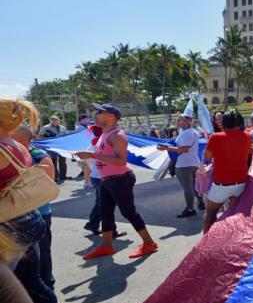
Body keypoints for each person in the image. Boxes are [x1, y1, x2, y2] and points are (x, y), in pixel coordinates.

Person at [0, 98, 63, 303]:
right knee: (31, 281)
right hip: (28, 218)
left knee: (10, 287)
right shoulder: (16, 145)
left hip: (10, 226)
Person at [74, 103, 158, 260]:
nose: (95, 114)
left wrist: (92, 156)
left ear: (111, 116)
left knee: (129, 213)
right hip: (107, 180)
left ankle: (149, 243)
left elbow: (120, 161)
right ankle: (106, 246)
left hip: (120, 179)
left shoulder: (117, 135)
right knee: (105, 213)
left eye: (99, 112)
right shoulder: (105, 134)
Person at [10, 125, 58, 290]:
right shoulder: (10, 156)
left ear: (22, 139)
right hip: (16, 216)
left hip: (38, 214)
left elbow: (48, 188)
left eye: (10, 135)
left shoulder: (39, 156)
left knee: (42, 257)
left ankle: (47, 285)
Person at [202, 111, 252, 234]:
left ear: (224, 123)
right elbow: (249, 153)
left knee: (210, 213)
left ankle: (205, 244)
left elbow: (207, 156)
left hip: (221, 185)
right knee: (235, 214)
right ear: (239, 122)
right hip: (241, 184)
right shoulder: (247, 136)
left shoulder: (216, 137)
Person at [157, 115, 204, 218]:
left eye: (180, 120)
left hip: (184, 164)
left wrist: (167, 148)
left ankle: (190, 209)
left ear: (187, 122)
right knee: (193, 186)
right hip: (193, 162)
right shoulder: (190, 131)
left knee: (188, 188)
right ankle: (201, 203)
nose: (177, 121)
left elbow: (184, 149)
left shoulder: (186, 133)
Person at [37, 114, 68, 182]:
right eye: (52, 119)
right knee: (53, 162)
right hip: (51, 147)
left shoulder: (63, 128)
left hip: (61, 147)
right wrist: (48, 139)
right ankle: (55, 176)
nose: (54, 121)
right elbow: (39, 137)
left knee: (63, 162)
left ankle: (63, 176)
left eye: (56, 119)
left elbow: (66, 136)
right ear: (50, 120)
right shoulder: (45, 128)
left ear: (58, 120)